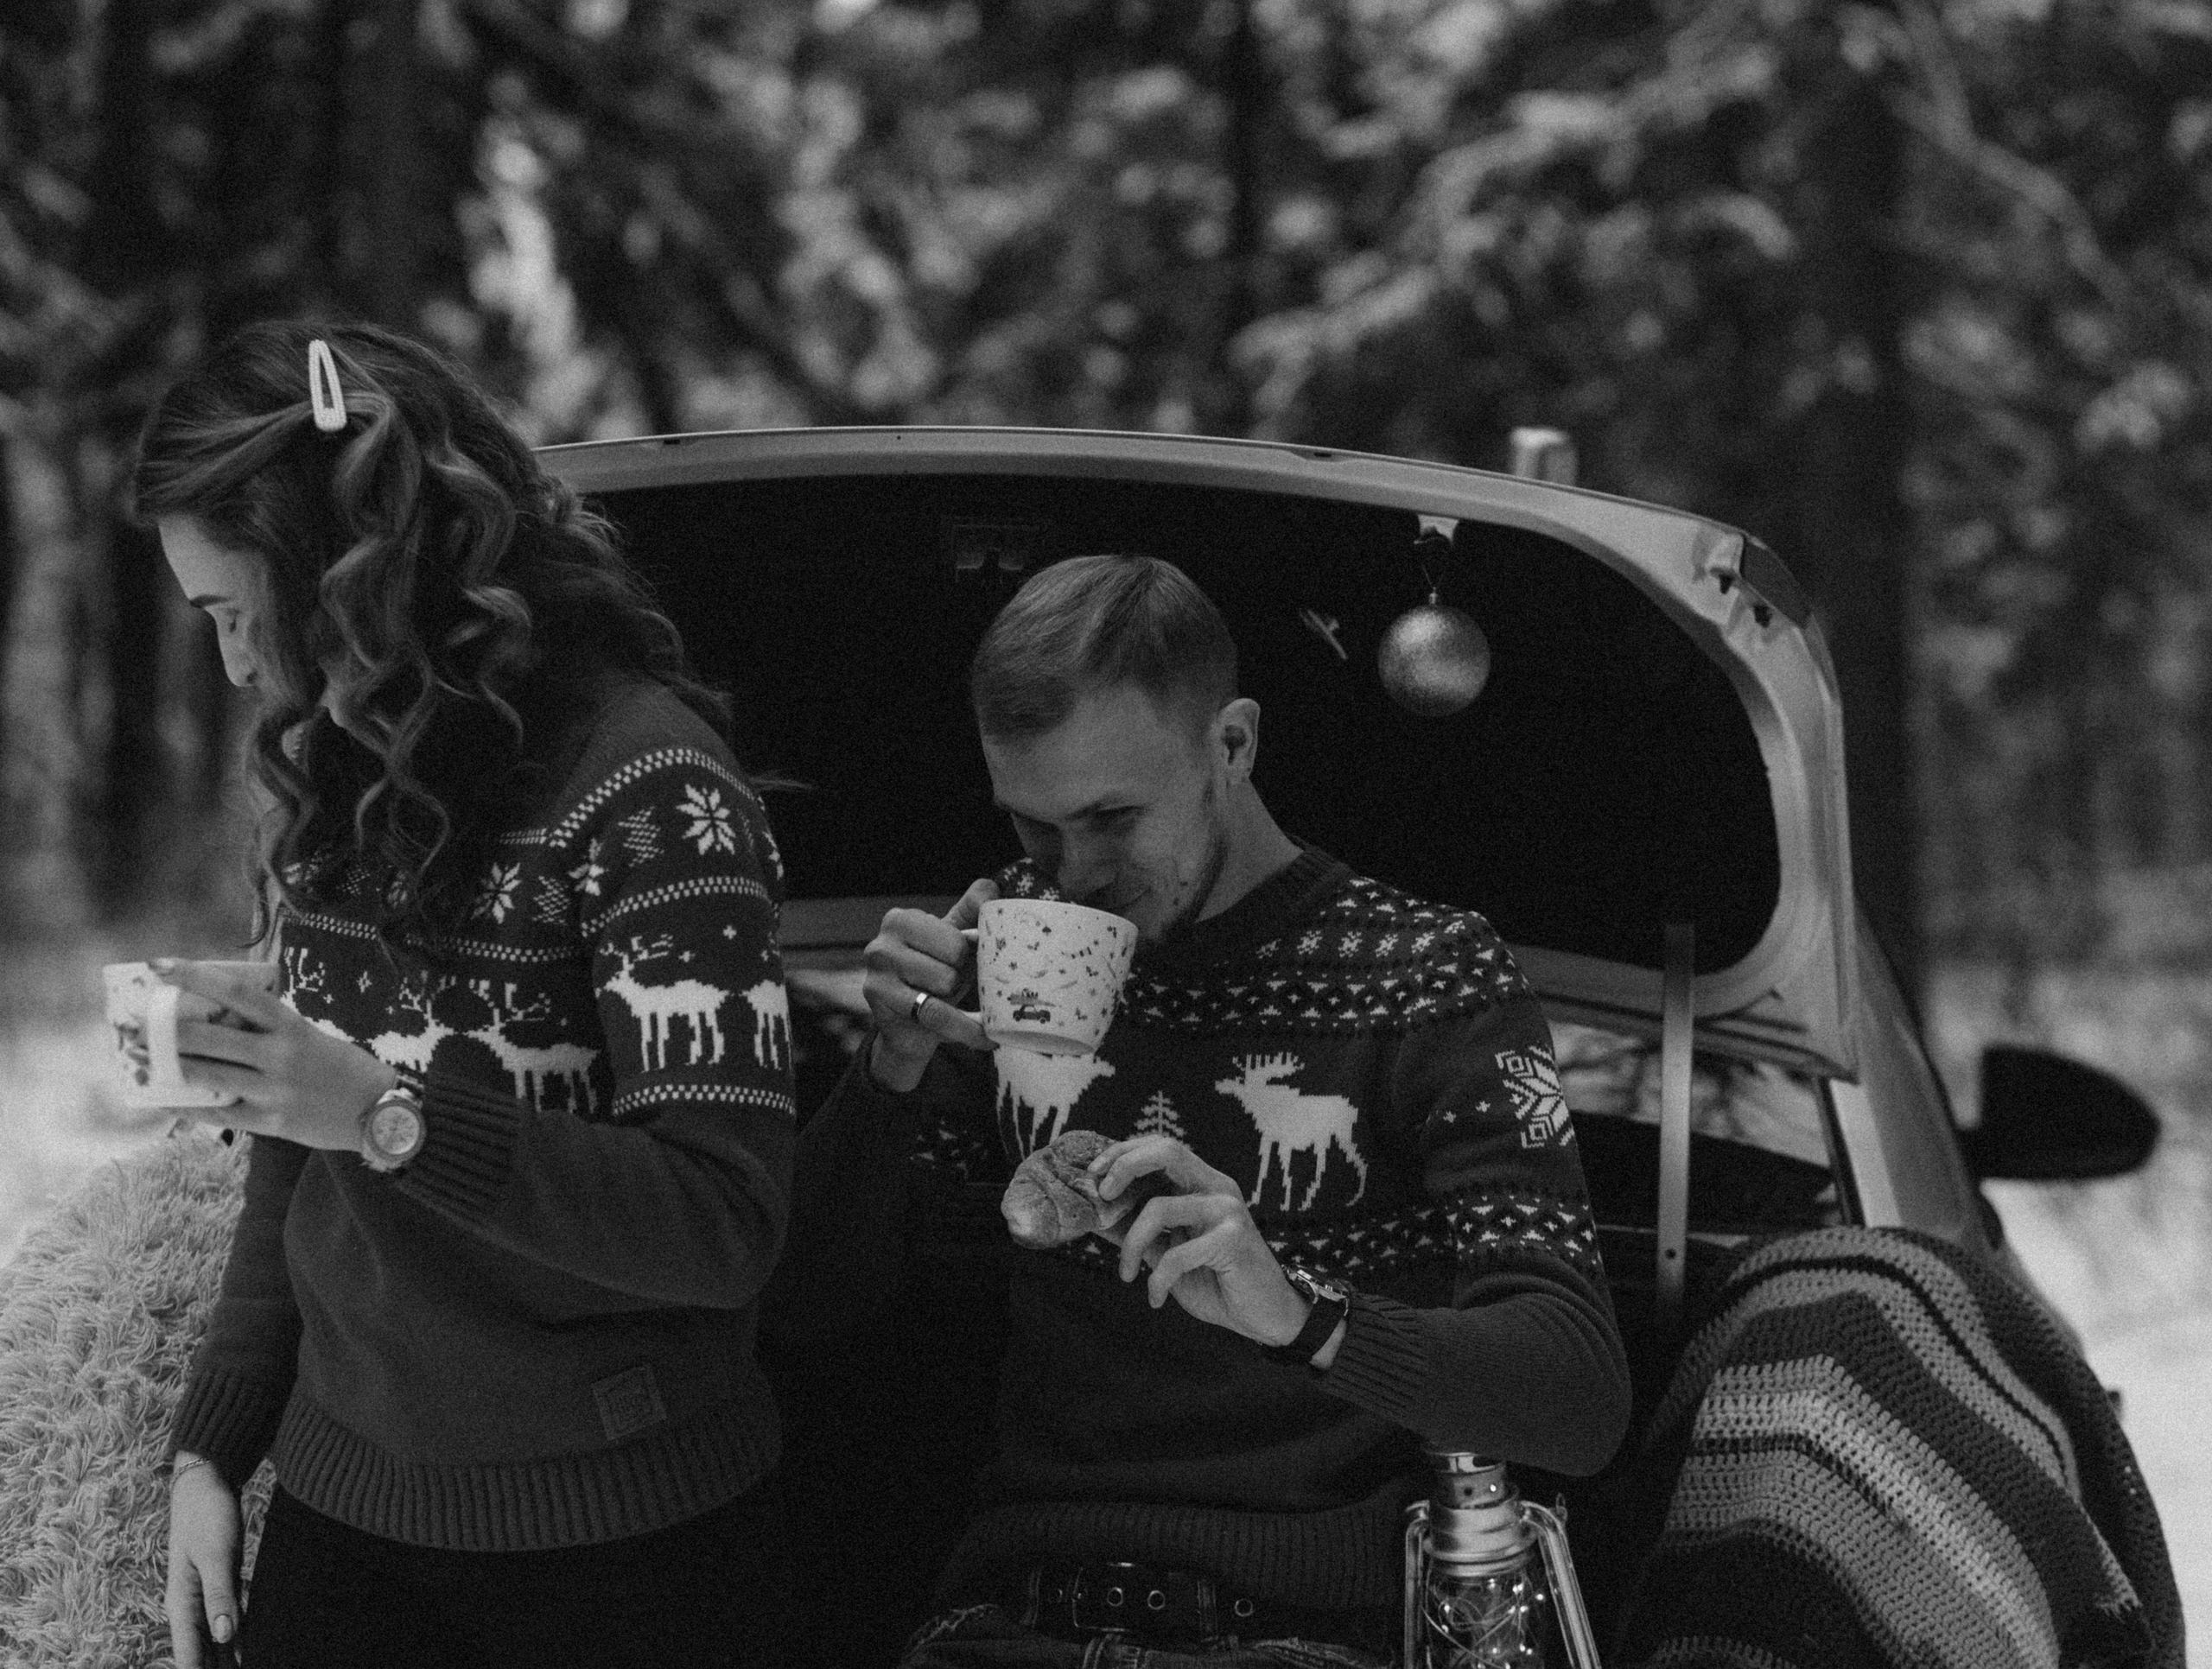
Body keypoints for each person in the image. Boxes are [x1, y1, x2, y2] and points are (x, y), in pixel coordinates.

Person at [767, 554, 1632, 1666]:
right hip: (1010, 1616)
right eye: (1032, 827)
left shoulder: (1427, 976)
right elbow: (805, 1313)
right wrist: (886, 1072)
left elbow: (1577, 1392)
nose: (1071, 872)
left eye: (1112, 817)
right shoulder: (1014, 949)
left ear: (1231, 745)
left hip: (1305, 1632)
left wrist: (1303, 1319)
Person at [131, 321, 794, 1669]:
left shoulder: (653, 790)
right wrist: (212, 1450)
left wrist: (385, 1110)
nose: (232, 665)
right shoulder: (337, 782)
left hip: (626, 1548)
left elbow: (725, 1222)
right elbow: (291, 1158)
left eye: (229, 611)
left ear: (333, 576)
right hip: (343, 1514)